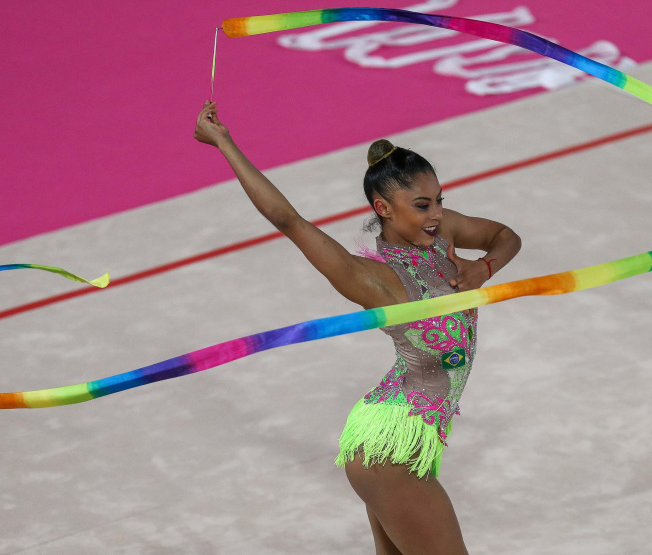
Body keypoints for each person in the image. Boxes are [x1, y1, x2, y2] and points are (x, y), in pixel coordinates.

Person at [194, 101, 520, 555]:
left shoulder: (442, 235)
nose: (435, 214)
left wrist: (484, 267)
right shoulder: (377, 280)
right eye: (422, 205)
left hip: (399, 435)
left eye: (440, 200)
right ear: (383, 207)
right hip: (390, 450)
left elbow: (506, 236)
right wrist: (224, 142)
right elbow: (288, 220)